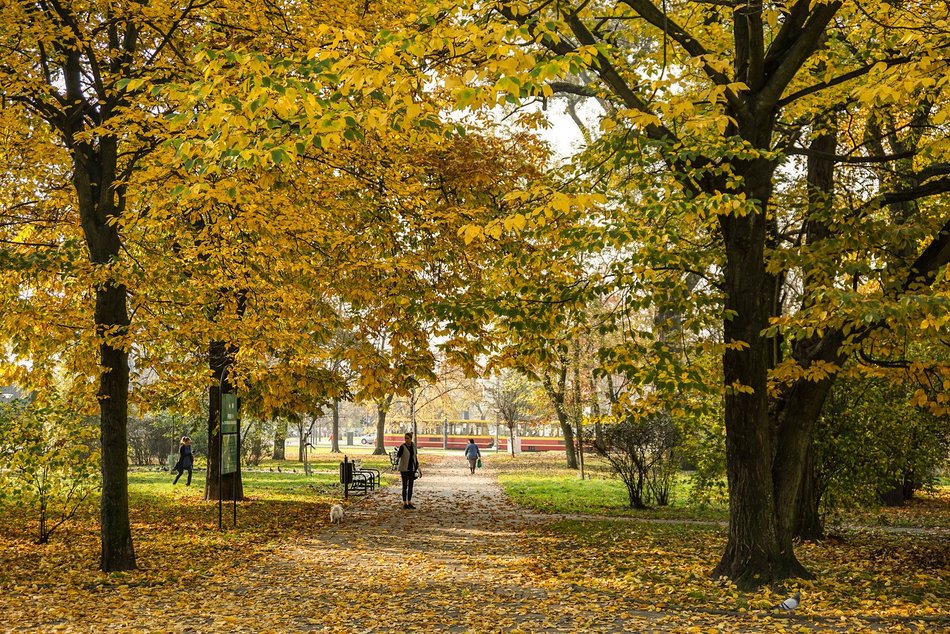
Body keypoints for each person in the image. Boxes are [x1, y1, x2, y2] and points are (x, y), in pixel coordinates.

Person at [396, 432, 419, 509]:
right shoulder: (402, 446)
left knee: (411, 486)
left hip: (412, 468)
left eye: (407, 438)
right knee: (405, 486)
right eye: (405, 438)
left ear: (411, 438)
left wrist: (418, 468)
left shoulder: (414, 446)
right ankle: (405, 503)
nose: (406, 440)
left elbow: (415, 457)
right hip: (404, 469)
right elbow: (398, 456)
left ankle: (409, 502)